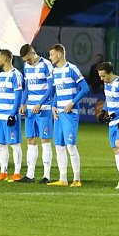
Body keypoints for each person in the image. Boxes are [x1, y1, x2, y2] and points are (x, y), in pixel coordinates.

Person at [46, 44, 90, 187]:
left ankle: (77, 179)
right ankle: (63, 179)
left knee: (71, 146)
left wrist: (72, 102)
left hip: (70, 113)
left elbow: (85, 88)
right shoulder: (54, 72)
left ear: (59, 54)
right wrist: (53, 106)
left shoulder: (72, 69)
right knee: (59, 146)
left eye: (51, 54)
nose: (50, 57)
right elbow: (57, 92)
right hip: (58, 113)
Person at [14, 43, 55, 184]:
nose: (27, 62)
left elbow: (50, 88)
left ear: (33, 53)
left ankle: (46, 176)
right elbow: (27, 88)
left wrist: (40, 103)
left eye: (28, 59)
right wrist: (23, 103)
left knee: (45, 140)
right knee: (30, 140)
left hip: (43, 109)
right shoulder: (27, 67)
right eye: (25, 60)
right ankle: (30, 175)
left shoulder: (46, 65)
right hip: (30, 109)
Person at [97, 62, 119, 189]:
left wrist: (116, 115)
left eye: (103, 76)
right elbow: (108, 100)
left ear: (110, 73)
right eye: (100, 76)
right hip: (112, 121)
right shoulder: (106, 84)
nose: (101, 79)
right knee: (115, 149)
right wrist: (104, 110)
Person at [0, 49, 23, 181]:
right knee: (1, 144)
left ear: (5, 59)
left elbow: (18, 96)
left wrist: (13, 114)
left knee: (14, 144)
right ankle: (3, 171)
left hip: (9, 116)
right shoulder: (0, 76)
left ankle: (17, 173)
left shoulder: (15, 75)